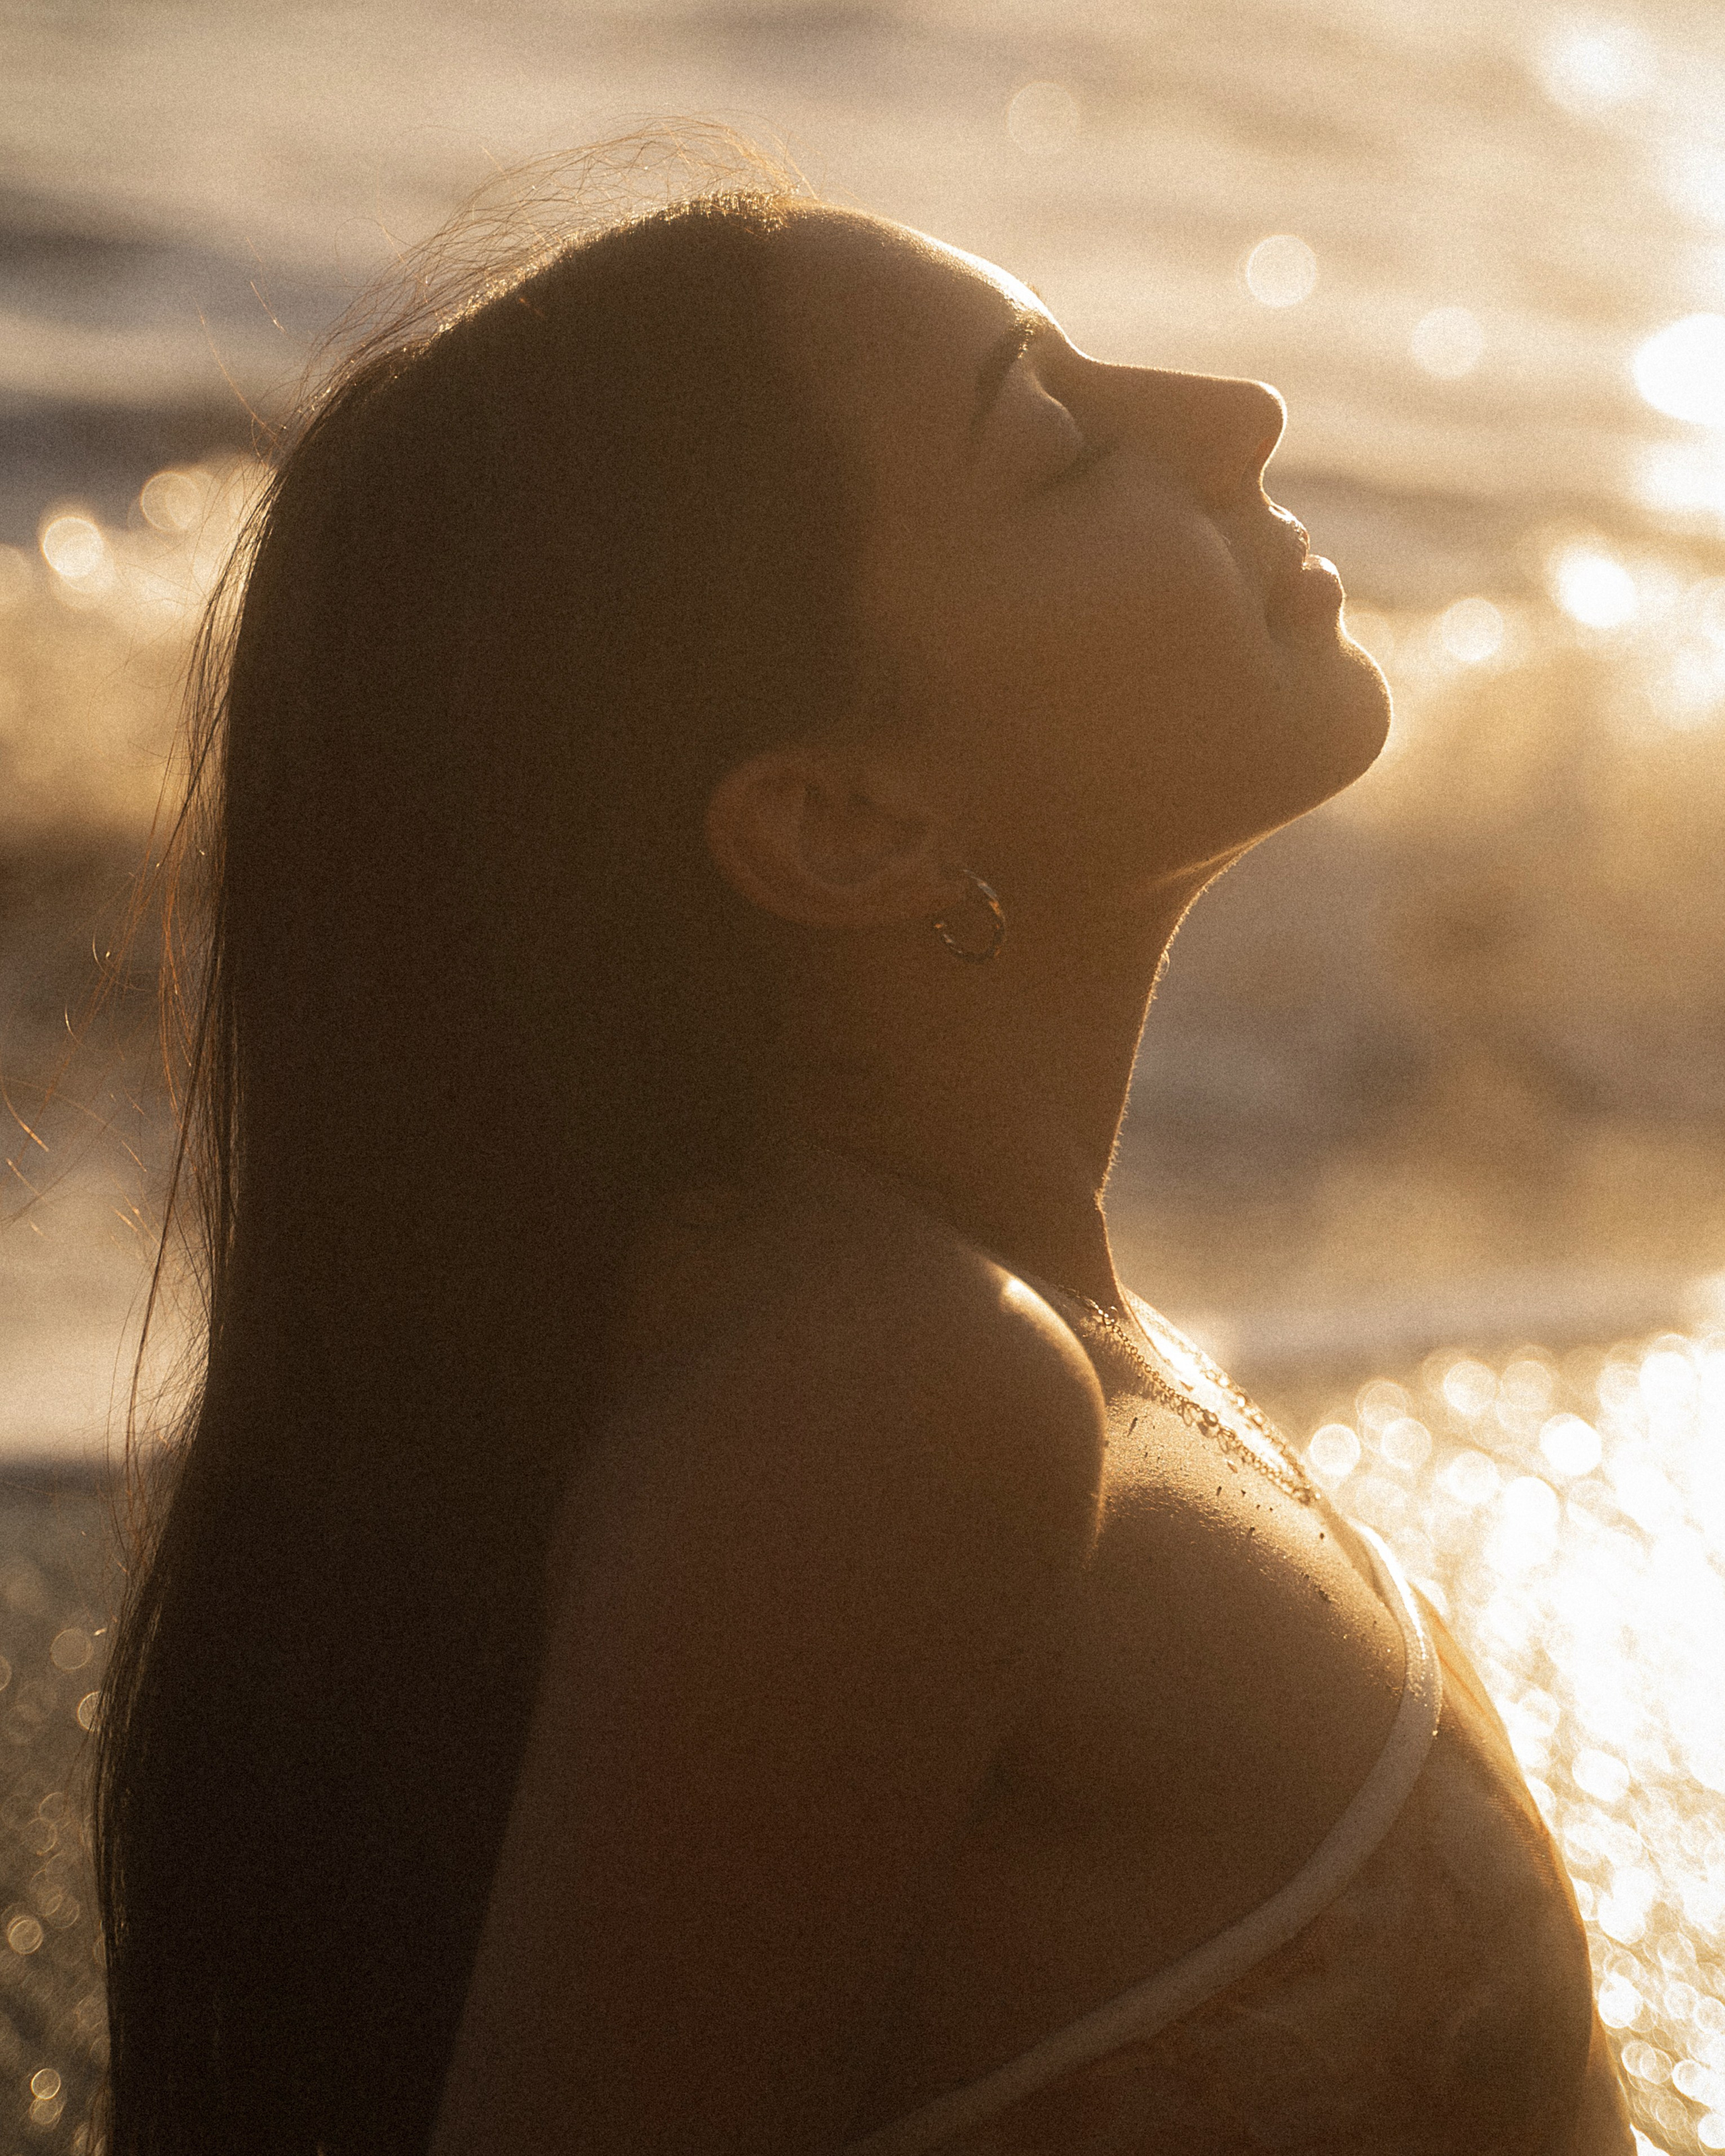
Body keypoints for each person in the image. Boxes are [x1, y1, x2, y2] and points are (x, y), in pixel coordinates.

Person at [93, 153, 1635, 2155]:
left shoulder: (974, 1333)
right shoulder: (893, 1409)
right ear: (844, 823)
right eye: (1064, 446)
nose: (1236, 415)